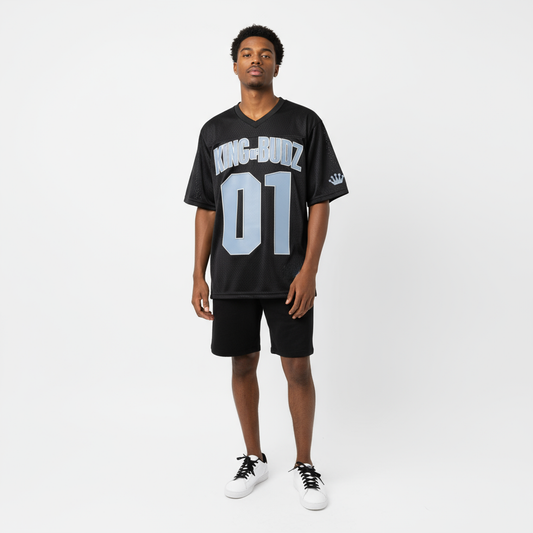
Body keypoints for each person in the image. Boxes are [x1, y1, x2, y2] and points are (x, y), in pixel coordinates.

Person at [184, 24, 348, 511]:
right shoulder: (214, 131)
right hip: (232, 275)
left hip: (288, 275)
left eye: (266, 53)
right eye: (247, 53)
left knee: (297, 366)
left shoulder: (304, 122)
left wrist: (310, 270)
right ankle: (253, 456)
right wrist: (197, 273)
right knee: (242, 363)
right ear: (235, 64)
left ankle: (304, 463)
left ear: (277, 64)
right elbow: (206, 206)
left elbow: (321, 200)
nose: (256, 59)